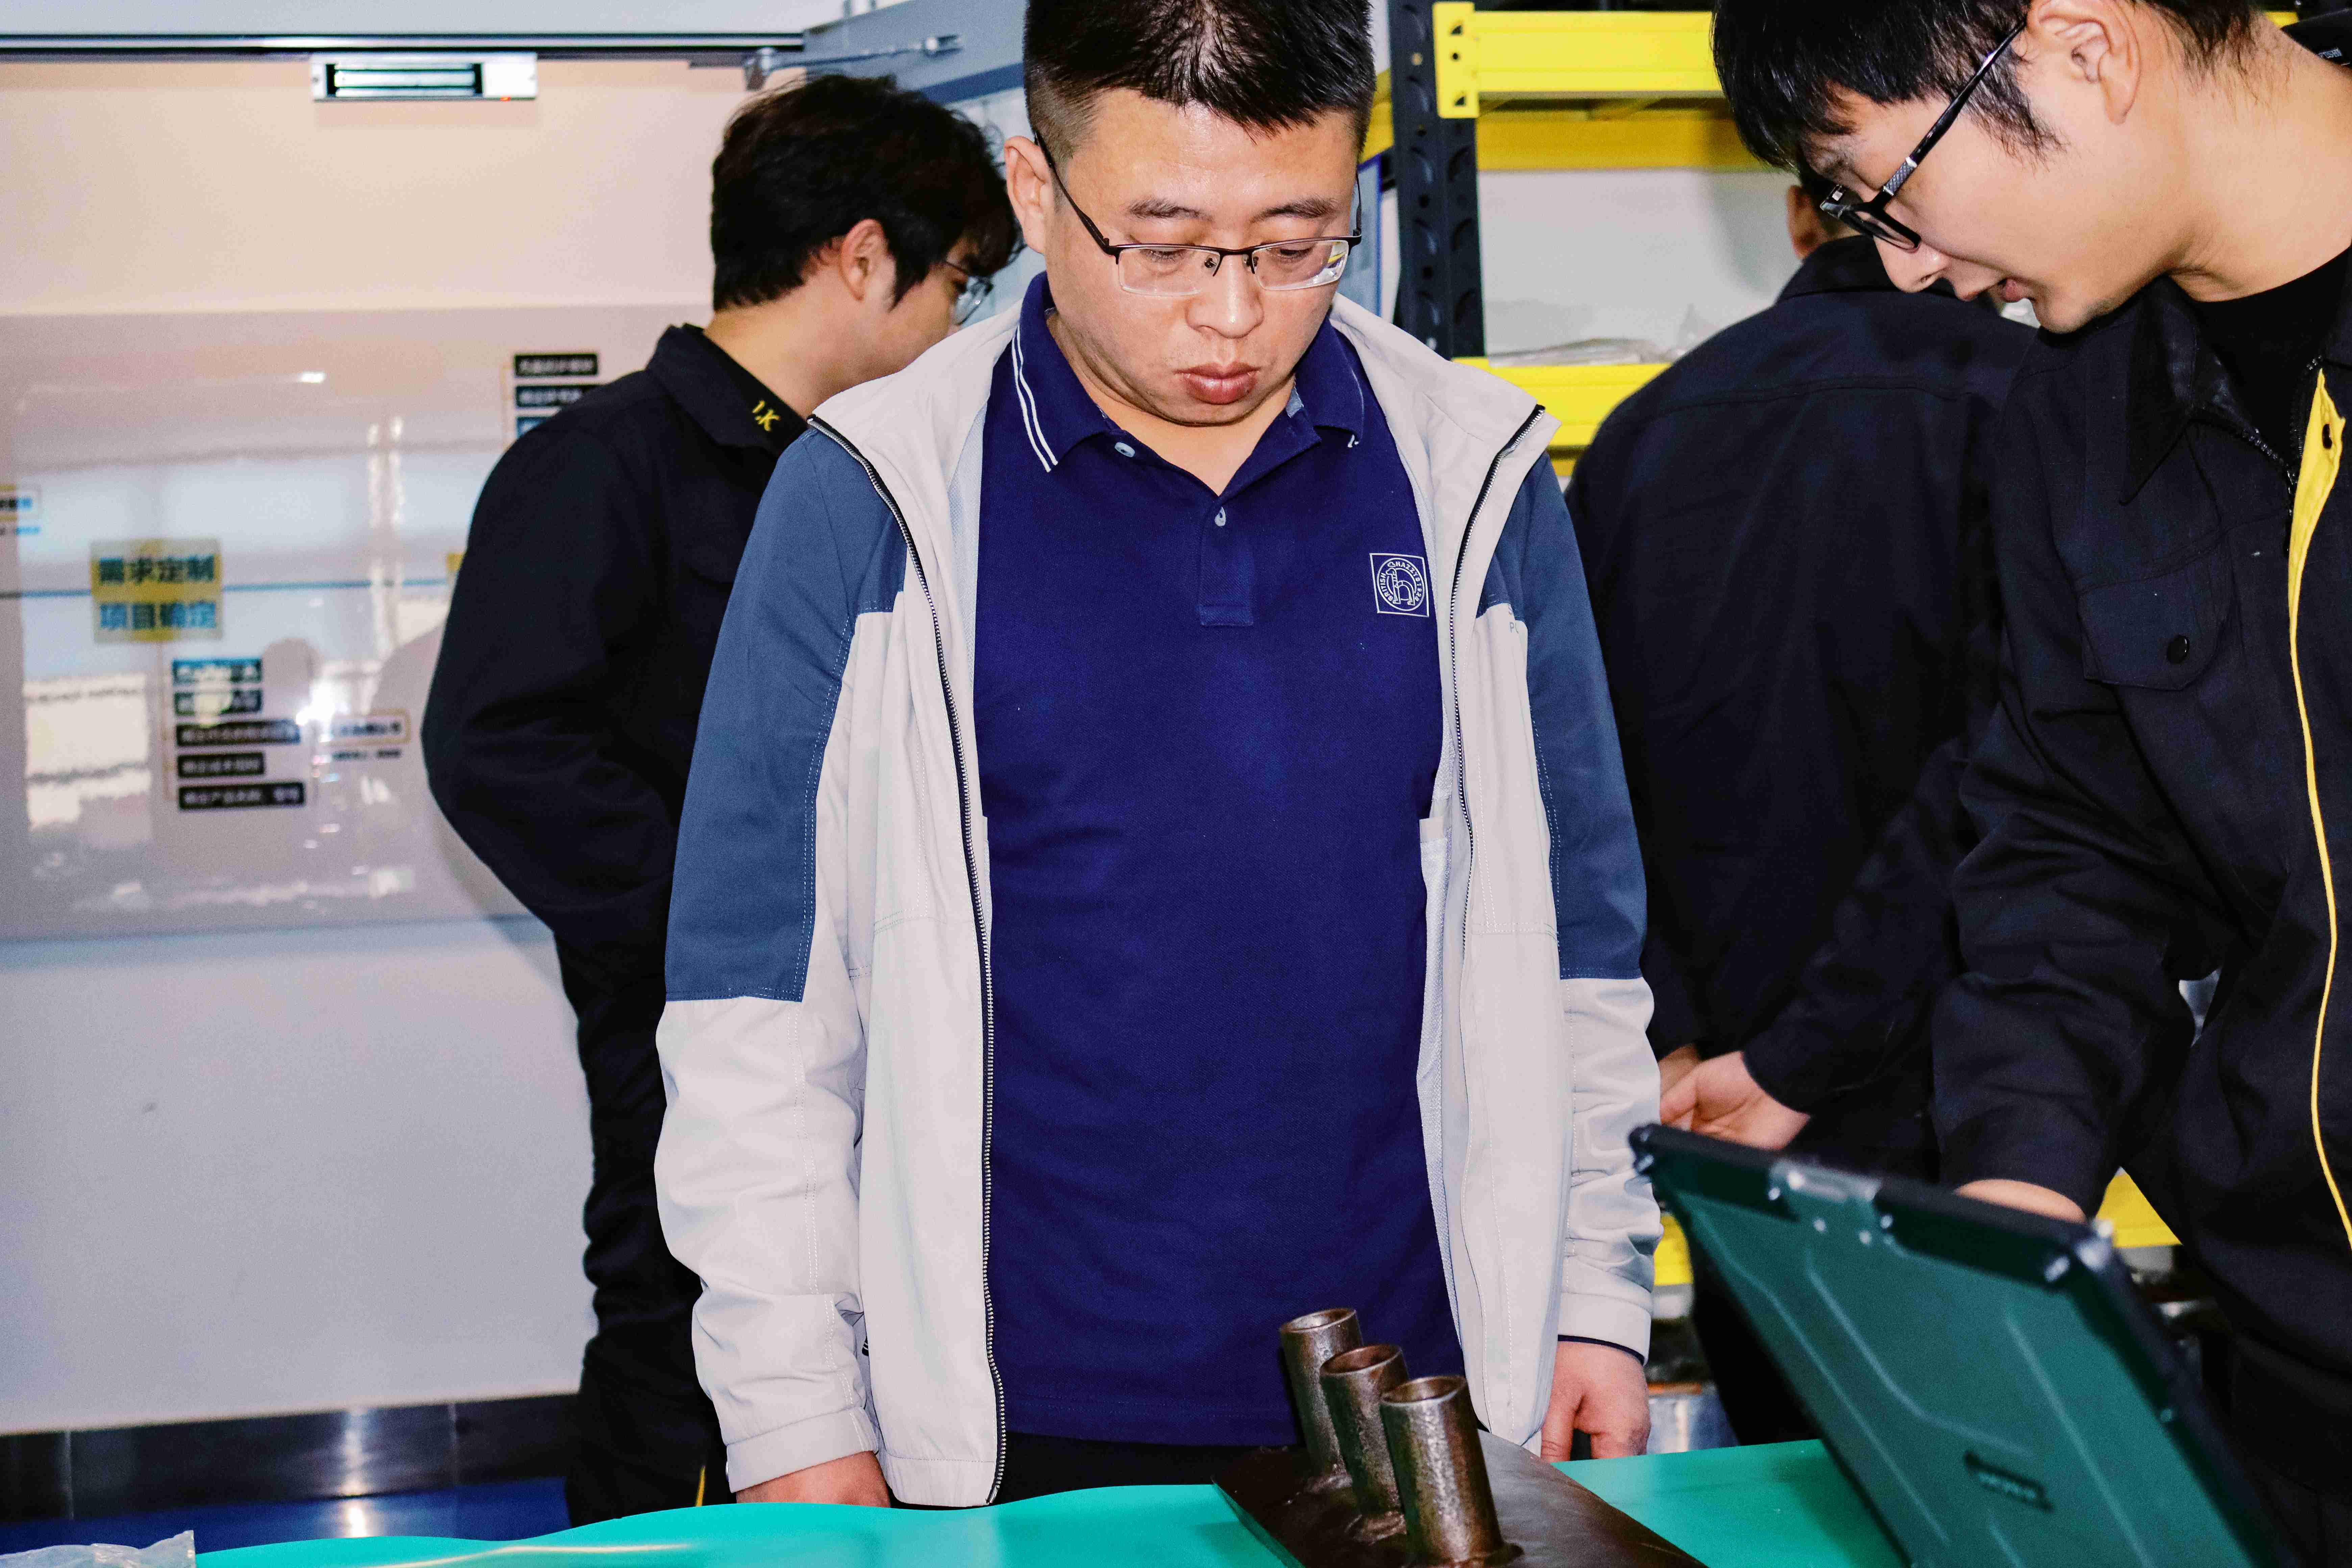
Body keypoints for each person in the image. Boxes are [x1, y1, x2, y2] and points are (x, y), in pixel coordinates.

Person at [654, 0, 1661, 1510]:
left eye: (1298, 243)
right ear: (1035, 191)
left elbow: (1576, 940)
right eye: (1165, 244)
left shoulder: (1477, 475)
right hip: (1015, 1418)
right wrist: (794, 1409)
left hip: (1424, 1391)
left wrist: (1594, 1291)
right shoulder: (874, 494)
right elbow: (758, 1000)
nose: (1234, 313)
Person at [1712, 0, 2352, 1555]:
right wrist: (2019, 1185)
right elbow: (2070, 843)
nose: (1903, 268)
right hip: (2305, 1392)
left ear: (2083, 45)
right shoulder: (2078, 408)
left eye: (1889, 187)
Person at [421, 74, 1018, 1524]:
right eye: (957, 282)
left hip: (907, 1025)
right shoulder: (602, 467)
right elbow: (496, 744)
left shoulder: (891, 476)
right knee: (697, 1352)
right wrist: (730, 920)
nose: (961, 324)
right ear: (863, 258)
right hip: (696, 1032)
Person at [1569, 171, 2029, 1443]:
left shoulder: (1644, 432)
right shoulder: (2031, 399)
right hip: (1962, 1087)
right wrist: (1806, 1053)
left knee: (1787, 1487)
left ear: (1795, 215)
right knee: (1970, 1483)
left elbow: (1577, 780)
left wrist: (1674, 1040)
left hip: (1723, 1110)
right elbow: (2010, 779)